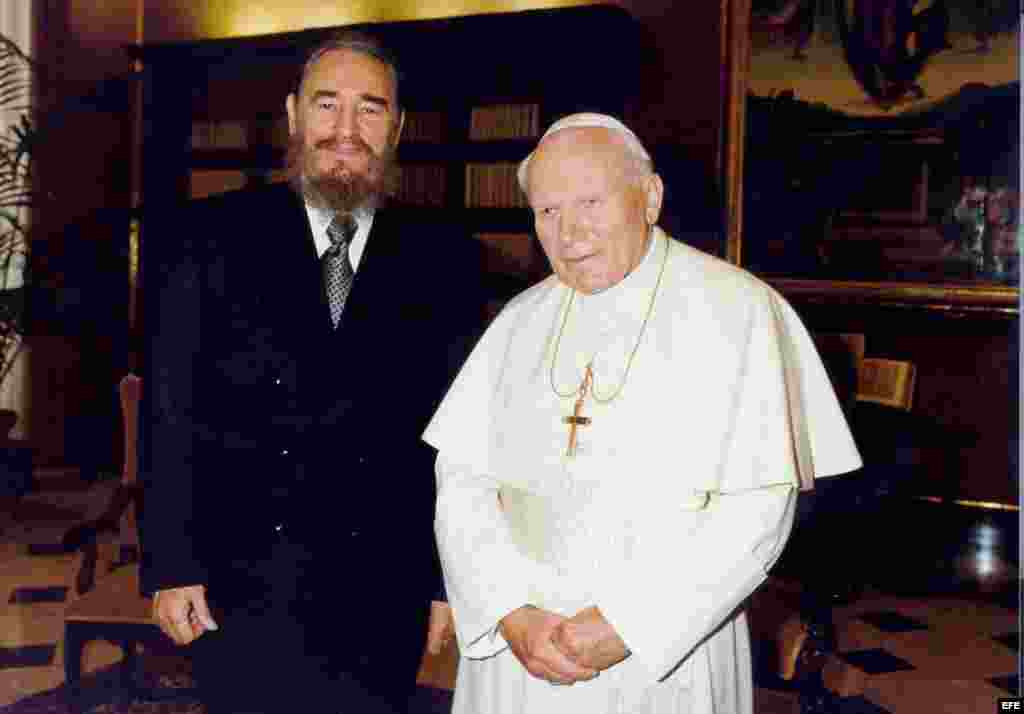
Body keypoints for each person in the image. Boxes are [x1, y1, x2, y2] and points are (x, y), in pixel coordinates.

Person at [424, 113, 862, 714]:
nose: (569, 232)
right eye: (547, 211)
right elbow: (462, 479)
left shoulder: (740, 311)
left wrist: (630, 624)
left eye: (590, 202)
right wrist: (506, 607)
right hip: (520, 650)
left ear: (650, 197)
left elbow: (759, 510)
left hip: (664, 654)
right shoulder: (516, 322)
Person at [138, 31, 482, 714]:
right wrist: (173, 565)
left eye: (371, 109)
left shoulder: (444, 257)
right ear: (294, 115)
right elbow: (171, 411)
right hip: (241, 577)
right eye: (327, 107)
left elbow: (458, 437)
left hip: (380, 582)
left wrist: (447, 582)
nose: (346, 131)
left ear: (398, 128)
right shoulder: (210, 238)